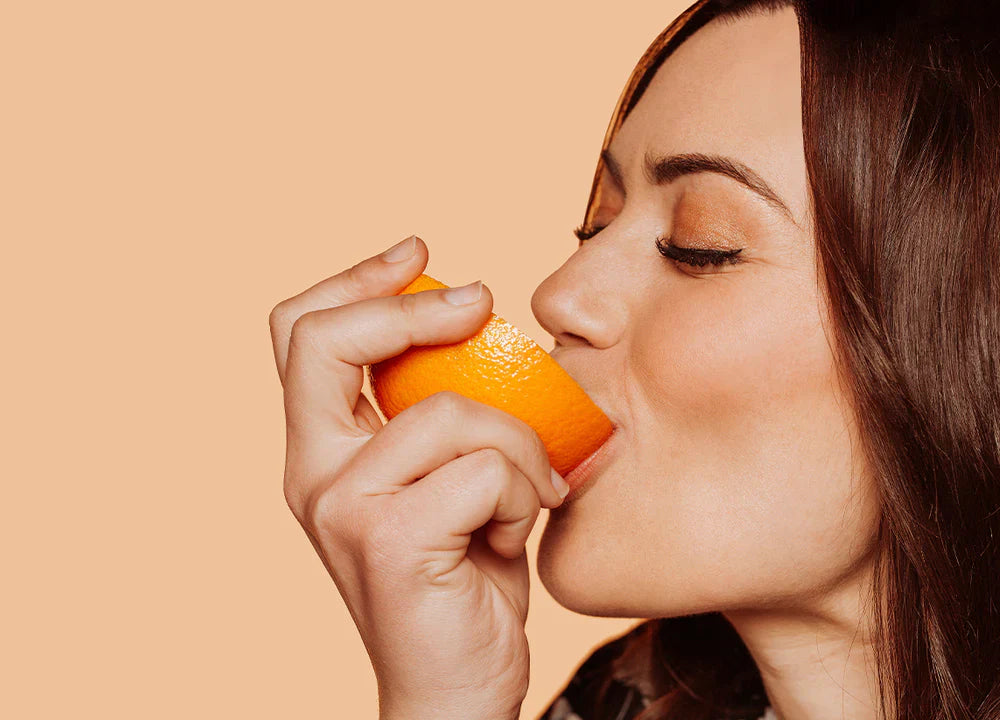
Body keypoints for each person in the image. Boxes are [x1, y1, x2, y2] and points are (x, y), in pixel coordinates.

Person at [267, 0, 1000, 718]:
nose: (557, 296)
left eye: (699, 246)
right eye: (596, 225)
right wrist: (446, 703)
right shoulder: (613, 701)